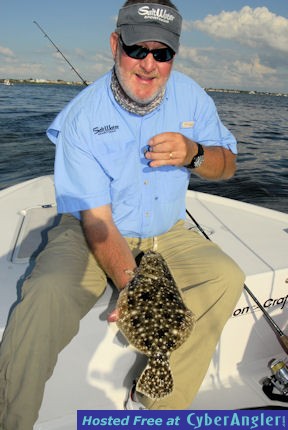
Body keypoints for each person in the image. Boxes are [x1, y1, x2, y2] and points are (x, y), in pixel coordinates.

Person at [0, 0, 245, 428]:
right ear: (116, 45)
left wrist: (195, 154)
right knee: (46, 294)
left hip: (168, 230)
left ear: (174, 55)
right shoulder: (82, 117)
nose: (149, 64)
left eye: (162, 53)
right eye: (138, 49)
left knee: (226, 276)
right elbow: (97, 221)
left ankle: (156, 405)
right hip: (91, 228)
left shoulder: (194, 98)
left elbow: (227, 166)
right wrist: (133, 288)